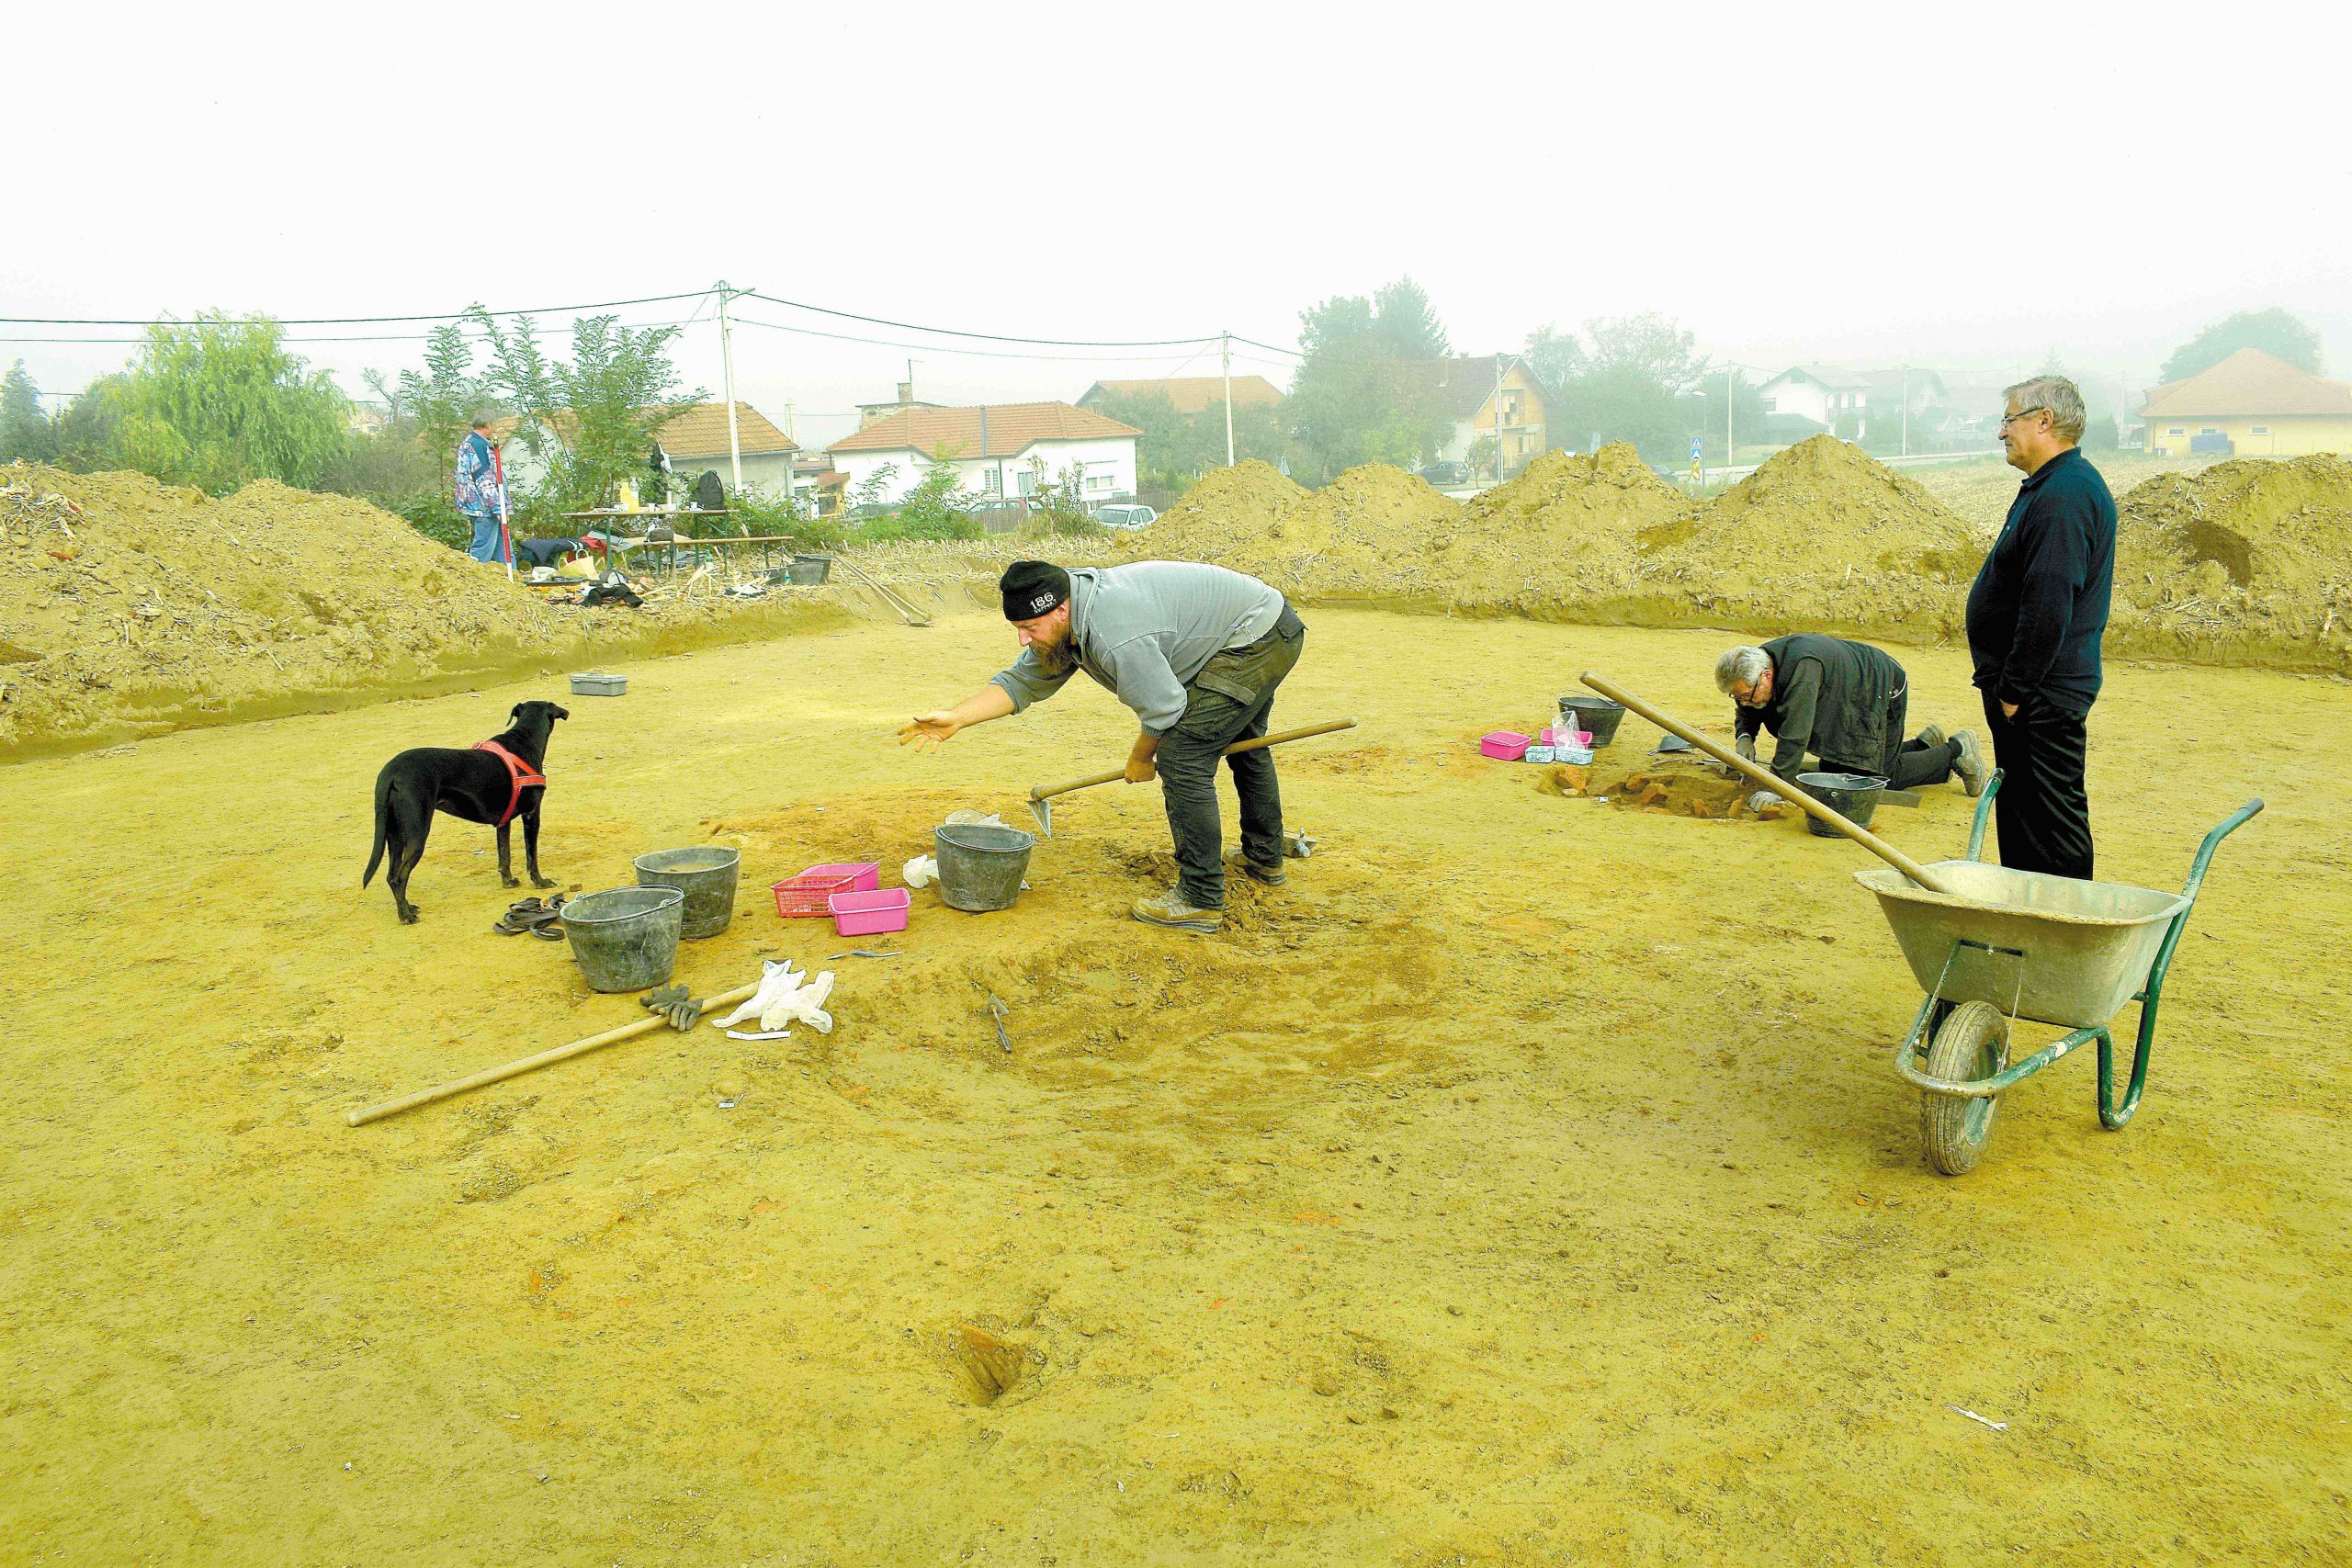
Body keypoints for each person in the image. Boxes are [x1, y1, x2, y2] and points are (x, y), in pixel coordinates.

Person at [899, 559, 1306, 933]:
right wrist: (958, 717)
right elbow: (1022, 682)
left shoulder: (1115, 633)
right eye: (1017, 628)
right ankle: (1263, 856)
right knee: (1244, 743)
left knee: (1183, 757)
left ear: (1060, 610)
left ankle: (1200, 898)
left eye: (1029, 628)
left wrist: (1140, 758)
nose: (1023, 639)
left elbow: (1164, 710)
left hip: (1256, 636)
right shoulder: (1067, 611)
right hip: (1251, 626)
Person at [1965, 376, 2115, 880]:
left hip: (2039, 698)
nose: (2002, 433)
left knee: (2050, 826)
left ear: (2043, 421)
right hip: (2032, 694)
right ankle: (2029, 922)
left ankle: (2066, 932)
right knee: (2026, 818)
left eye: (2009, 420)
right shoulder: (2050, 487)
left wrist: (2014, 690)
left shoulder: (2066, 495)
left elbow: (2049, 602)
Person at [1715, 636, 1987, 811]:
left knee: (1877, 779)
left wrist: (1777, 787)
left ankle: (1955, 751)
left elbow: (1795, 735)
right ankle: (1922, 745)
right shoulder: (1761, 666)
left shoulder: (1802, 670)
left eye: (1746, 696)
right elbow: (1749, 706)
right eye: (1738, 698)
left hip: (1880, 688)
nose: (1745, 703)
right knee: (1835, 768)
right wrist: (1745, 736)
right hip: (1849, 689)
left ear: (1765, 675)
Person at [454, 412, 509, 565]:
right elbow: (485, 480)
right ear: (487, 425)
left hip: (475, 505)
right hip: (484, 507)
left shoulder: (468, 443)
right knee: (482, 551)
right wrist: (499, 508)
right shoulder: (479, 447)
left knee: (502, 548)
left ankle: (509, 579)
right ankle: (470, 580)